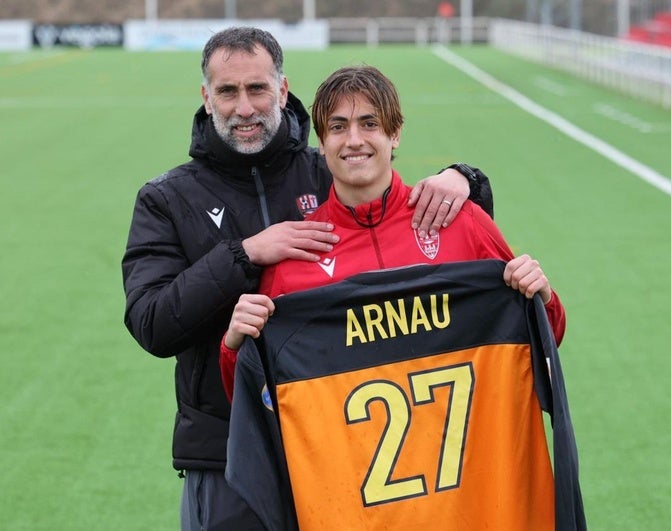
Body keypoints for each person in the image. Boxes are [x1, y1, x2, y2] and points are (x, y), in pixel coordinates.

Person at [121, 26, 495, 531]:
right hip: (223, 452)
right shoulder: (166, 198)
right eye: (228, 92)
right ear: (207, 98)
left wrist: (466, 178)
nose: (244, 107)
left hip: (341, 445)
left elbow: (418, 231)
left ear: (282, 88)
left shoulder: (331, 168)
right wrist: (246, 254)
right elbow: (152, 324)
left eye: (257, 89)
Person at [220, 65, 584, 530]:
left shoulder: (461, 223)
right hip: (358, 516)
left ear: (395, 135)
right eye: (338, 127)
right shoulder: (295, 260)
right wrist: (234, 344)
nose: (354, 140)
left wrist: (542, 296)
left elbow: (545, 337)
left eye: (369, 123)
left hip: (472, 509)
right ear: (322, 142)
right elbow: (256, 399)